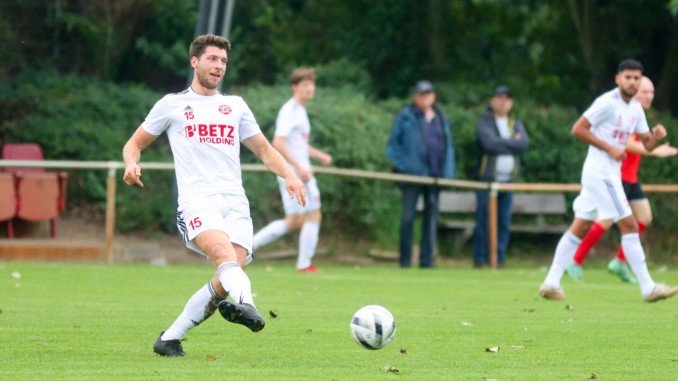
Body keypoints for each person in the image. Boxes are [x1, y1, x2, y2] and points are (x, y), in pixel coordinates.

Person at [122, 34, 307, 356]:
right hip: (197, 200)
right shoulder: (172, 105)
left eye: (223, 61)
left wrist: (290, 175)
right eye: (212, 59)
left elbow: (264, 149)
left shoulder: (234, 106)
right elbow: (134, 143)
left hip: (235, 201)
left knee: (227, 276)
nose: (218, 66)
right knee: (224, 258)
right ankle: (248, 306)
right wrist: (130, 164)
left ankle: (170, 339)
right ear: (195, 62)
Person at [539, 59, 677, 303]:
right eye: (628, 77)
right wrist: (610, 148)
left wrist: (656, 137)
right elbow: (578, 129)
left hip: (606, 173)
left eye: (637, 78)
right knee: (630, 225)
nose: (632, 82)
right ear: (618, 79)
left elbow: (646, 143)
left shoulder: (635, 109)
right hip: (601, 172)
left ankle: (551, 282)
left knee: (581, 226)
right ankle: (648, 287)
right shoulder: (607, 103)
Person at [565, 76, 678, 283]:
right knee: (605, 220)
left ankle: (619, 262)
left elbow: (642, 142)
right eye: (645, 92)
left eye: (651, 92)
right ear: (633, 90)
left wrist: (653, 142)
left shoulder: (637, 114)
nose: (649, 96)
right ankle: (574, 259)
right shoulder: (621, 110)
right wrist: (654, 151)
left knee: (644, 216)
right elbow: (625, 143)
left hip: (630, 178)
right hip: (614, 177)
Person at [251, 67, 332, 273]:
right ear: (294, 87)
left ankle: (251, 248)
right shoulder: (290, 110)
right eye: (305, 85)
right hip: (296, 173)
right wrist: (297, 168)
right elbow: (278, 142)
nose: (310, 88)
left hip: (300, 171)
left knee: (302, 218)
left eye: (312, 84)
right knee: (305, 218)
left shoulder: (301, 111)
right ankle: (301, 263)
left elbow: (298, 143)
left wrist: (318, 155)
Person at [386, 80, 455, 268]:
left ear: (433, 96)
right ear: (415, 97)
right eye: (422, 94)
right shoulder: (405, 116)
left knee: (431, 219)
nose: (425, 98)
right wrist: (405, 166)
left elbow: (448, 147)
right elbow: (392, 146)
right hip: (412, 176)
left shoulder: (440, 117)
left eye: (429, 94)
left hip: (434, 175)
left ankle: (427, 260)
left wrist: (447, 172)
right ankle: (405, 260)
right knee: (407, 218)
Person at [472, 86, 529, 268]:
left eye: (506, 98)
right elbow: (489, 144)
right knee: (484, 221)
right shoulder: (485, 121)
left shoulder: (515, 121)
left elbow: (524, 143)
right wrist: (513, 142)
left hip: (508, 182)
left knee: (503, 221)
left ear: (511, 103)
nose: (503, 101)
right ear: (492, 101)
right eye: (499, 97)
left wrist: (503, 143)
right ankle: (481, 259)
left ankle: (499, 258)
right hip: (488, 181)